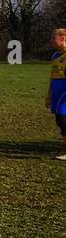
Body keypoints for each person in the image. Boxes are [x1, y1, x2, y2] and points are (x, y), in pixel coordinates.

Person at [47, 26, 66, 160]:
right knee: (60, 120)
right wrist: (49, 95)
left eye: (54, 38)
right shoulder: (56, 55)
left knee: (62, 118)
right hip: (56, 90)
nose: (51, 41)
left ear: (63, 38)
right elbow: (52, 76)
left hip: (64, 90)